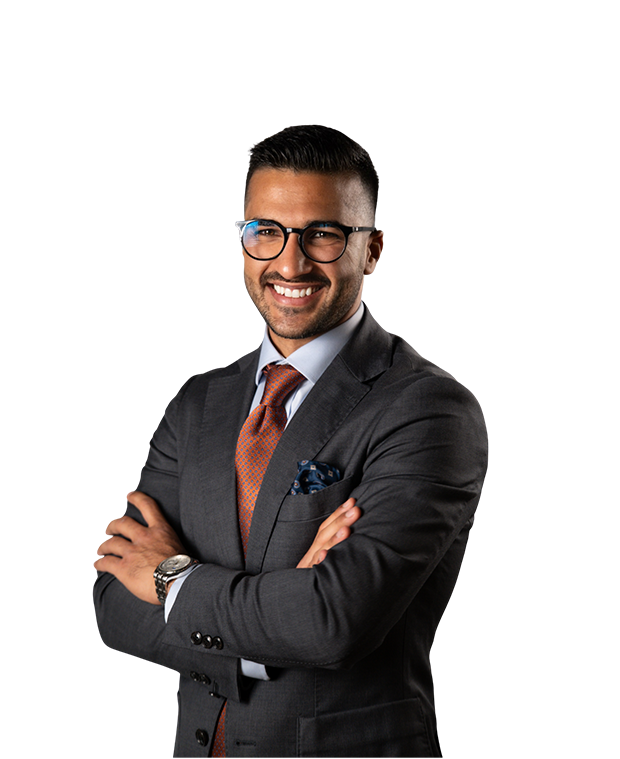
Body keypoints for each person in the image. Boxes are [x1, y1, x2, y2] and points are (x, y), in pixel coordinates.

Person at [92, 124, 488, 758]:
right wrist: (275, 619)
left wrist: (170, 579)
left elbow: (332, 621)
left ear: (372, 248)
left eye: (322, 234)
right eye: (265, 231)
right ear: (243, 240)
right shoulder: (198, 403)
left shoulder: (427, 411)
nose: (290, 262)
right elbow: (114, 604)